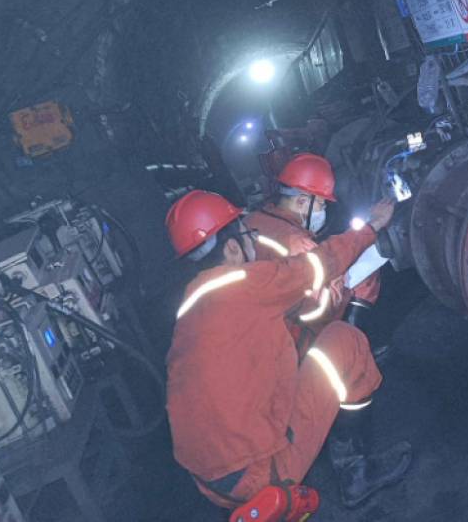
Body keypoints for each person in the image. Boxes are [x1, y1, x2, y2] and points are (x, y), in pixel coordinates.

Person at [164, 190, 412, 510]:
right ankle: (356, 471)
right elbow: (321, 263)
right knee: (344, 342)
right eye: (248, 235)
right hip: (262, 475)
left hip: (212, 485)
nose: (253, 242)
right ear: (231, 247)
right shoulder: (246, 283)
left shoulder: (189, 310)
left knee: (297, 345)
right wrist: (372, 226)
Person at [245, 153, 381, 331]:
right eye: (321, 205)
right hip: (293, 330)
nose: (323, 210)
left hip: (259, 311)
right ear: (302, 201)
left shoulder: (253, 219)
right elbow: (318, 312)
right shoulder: (298, 243)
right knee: (367, 276)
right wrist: (339, 280)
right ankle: (356, 332)